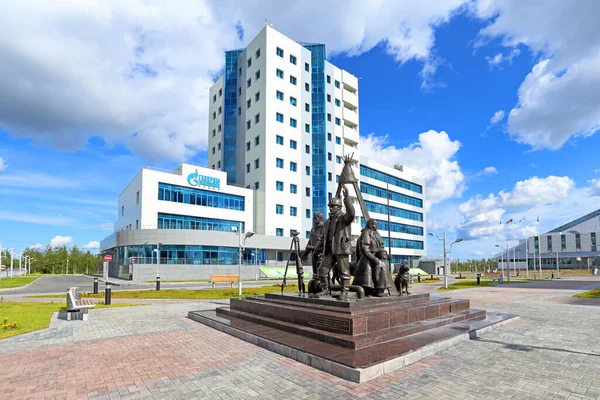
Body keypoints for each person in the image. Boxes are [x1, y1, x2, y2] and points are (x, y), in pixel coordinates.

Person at [314, 185, 355, 300]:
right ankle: (325, 290)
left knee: (344, 272)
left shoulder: (344, 218)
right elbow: (323, 238)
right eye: (330, 206)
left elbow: (351, 213)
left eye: (333, 206)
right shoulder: (327, 222)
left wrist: (347, 198)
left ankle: (344, 291)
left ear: (339, 207)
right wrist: (317, 249)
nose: (331, 208)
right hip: (329, 250)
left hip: (341, 248)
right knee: (322, 270)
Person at [352, 219, 394, 296]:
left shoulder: (377, 234)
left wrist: (386, 255)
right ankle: (369, 292)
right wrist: (374, 259)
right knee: (368, 277)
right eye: (374, 224)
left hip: (378, 257)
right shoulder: (366, 232)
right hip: (368, 258)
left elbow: (381, 247)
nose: (376, 226)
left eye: (377, 224)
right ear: (370, 224)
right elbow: (364, 248)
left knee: (383, 268)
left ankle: (379, 291)